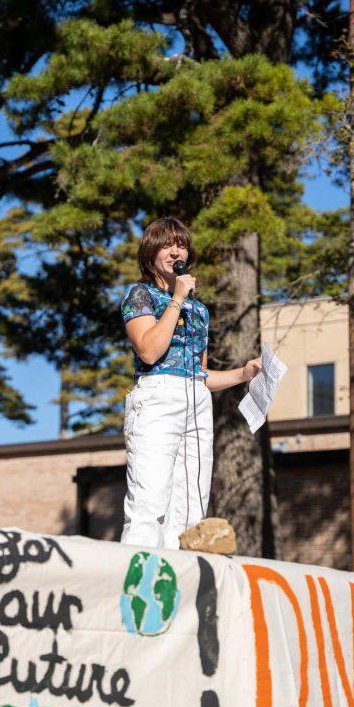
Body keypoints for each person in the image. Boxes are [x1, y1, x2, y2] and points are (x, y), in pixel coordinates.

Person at [119, 217, 263, 549]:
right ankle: (136, 580)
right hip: (156, 397)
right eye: (167, 244)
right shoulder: (140, 295)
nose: (176, 251)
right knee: (150, 499)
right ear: (151, 251)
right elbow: (150, 351)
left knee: (190, 504)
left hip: (195, 401)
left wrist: (244, 374)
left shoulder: (199, 310)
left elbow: (200, 375)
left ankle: (179, 583)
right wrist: (176, 300)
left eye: (181, 245)